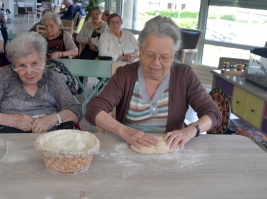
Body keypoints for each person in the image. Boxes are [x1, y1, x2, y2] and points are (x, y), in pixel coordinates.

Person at [85, 16, 222, 150]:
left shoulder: (184, 75)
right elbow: (93, 109)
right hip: (129, 151)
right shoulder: (125, 75)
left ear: (173, 54)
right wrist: (124, 131)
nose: (156, 63)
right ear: (140, 51)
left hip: (171, 152)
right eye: (150, 55)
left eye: (164, 57)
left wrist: (191, 130)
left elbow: (213, 113)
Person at [0, 31, 82, 133]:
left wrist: (53, 119)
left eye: (34, 63)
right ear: (14, 65)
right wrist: (13, 121)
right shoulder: (4, 75)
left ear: (44, 60)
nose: (29, 72)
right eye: (22, 65)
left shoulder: (53, 77)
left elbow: (75, 110)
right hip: (7, 138)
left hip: (49, 139)